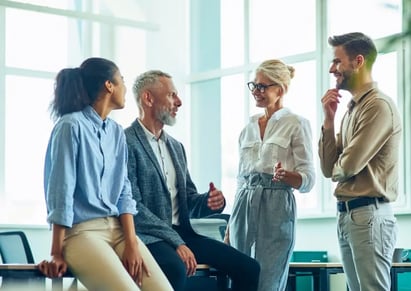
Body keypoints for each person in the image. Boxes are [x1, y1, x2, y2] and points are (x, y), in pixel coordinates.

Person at [39, 57, 173, 291]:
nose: (124, 86)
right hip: (82, 233)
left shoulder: (116, 133)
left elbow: (124, 191)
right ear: (109, 85)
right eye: (121, 80)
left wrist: (132, 243)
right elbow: (61, 193)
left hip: (119, 231)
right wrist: (55, 252)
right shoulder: (70, 126)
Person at [124, 70, 260, 291]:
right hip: (149, 236)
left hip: (183, 233)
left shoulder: (176, 147)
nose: (178, 102)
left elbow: (188, 200)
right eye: (171, 95)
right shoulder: (125, 142)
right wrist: (176, 242)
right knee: (175, 268)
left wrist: (208, 202)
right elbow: (133, 206)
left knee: (249, 268)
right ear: (148, 98)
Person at [318, 32, 402, 291]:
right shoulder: (350, 110)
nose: (332, 69)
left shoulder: (378, 106)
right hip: (348, 214)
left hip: (369, 214)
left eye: (337, 62)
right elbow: (327, 167)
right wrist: (329, 121)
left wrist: (338, 167)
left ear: (358, 61)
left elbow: (349, 165)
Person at [227, 59, 316, 291]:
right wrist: (229, 229)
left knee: (269, 282)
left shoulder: (297, 123)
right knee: (239, 280)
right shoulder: (247, 129)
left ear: (281, 89)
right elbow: (240, 180)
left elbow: (308, 179)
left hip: (277, 205)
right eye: (254, 85)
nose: (256, 91)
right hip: (243, 206)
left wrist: (286, 176)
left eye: (263, 86)